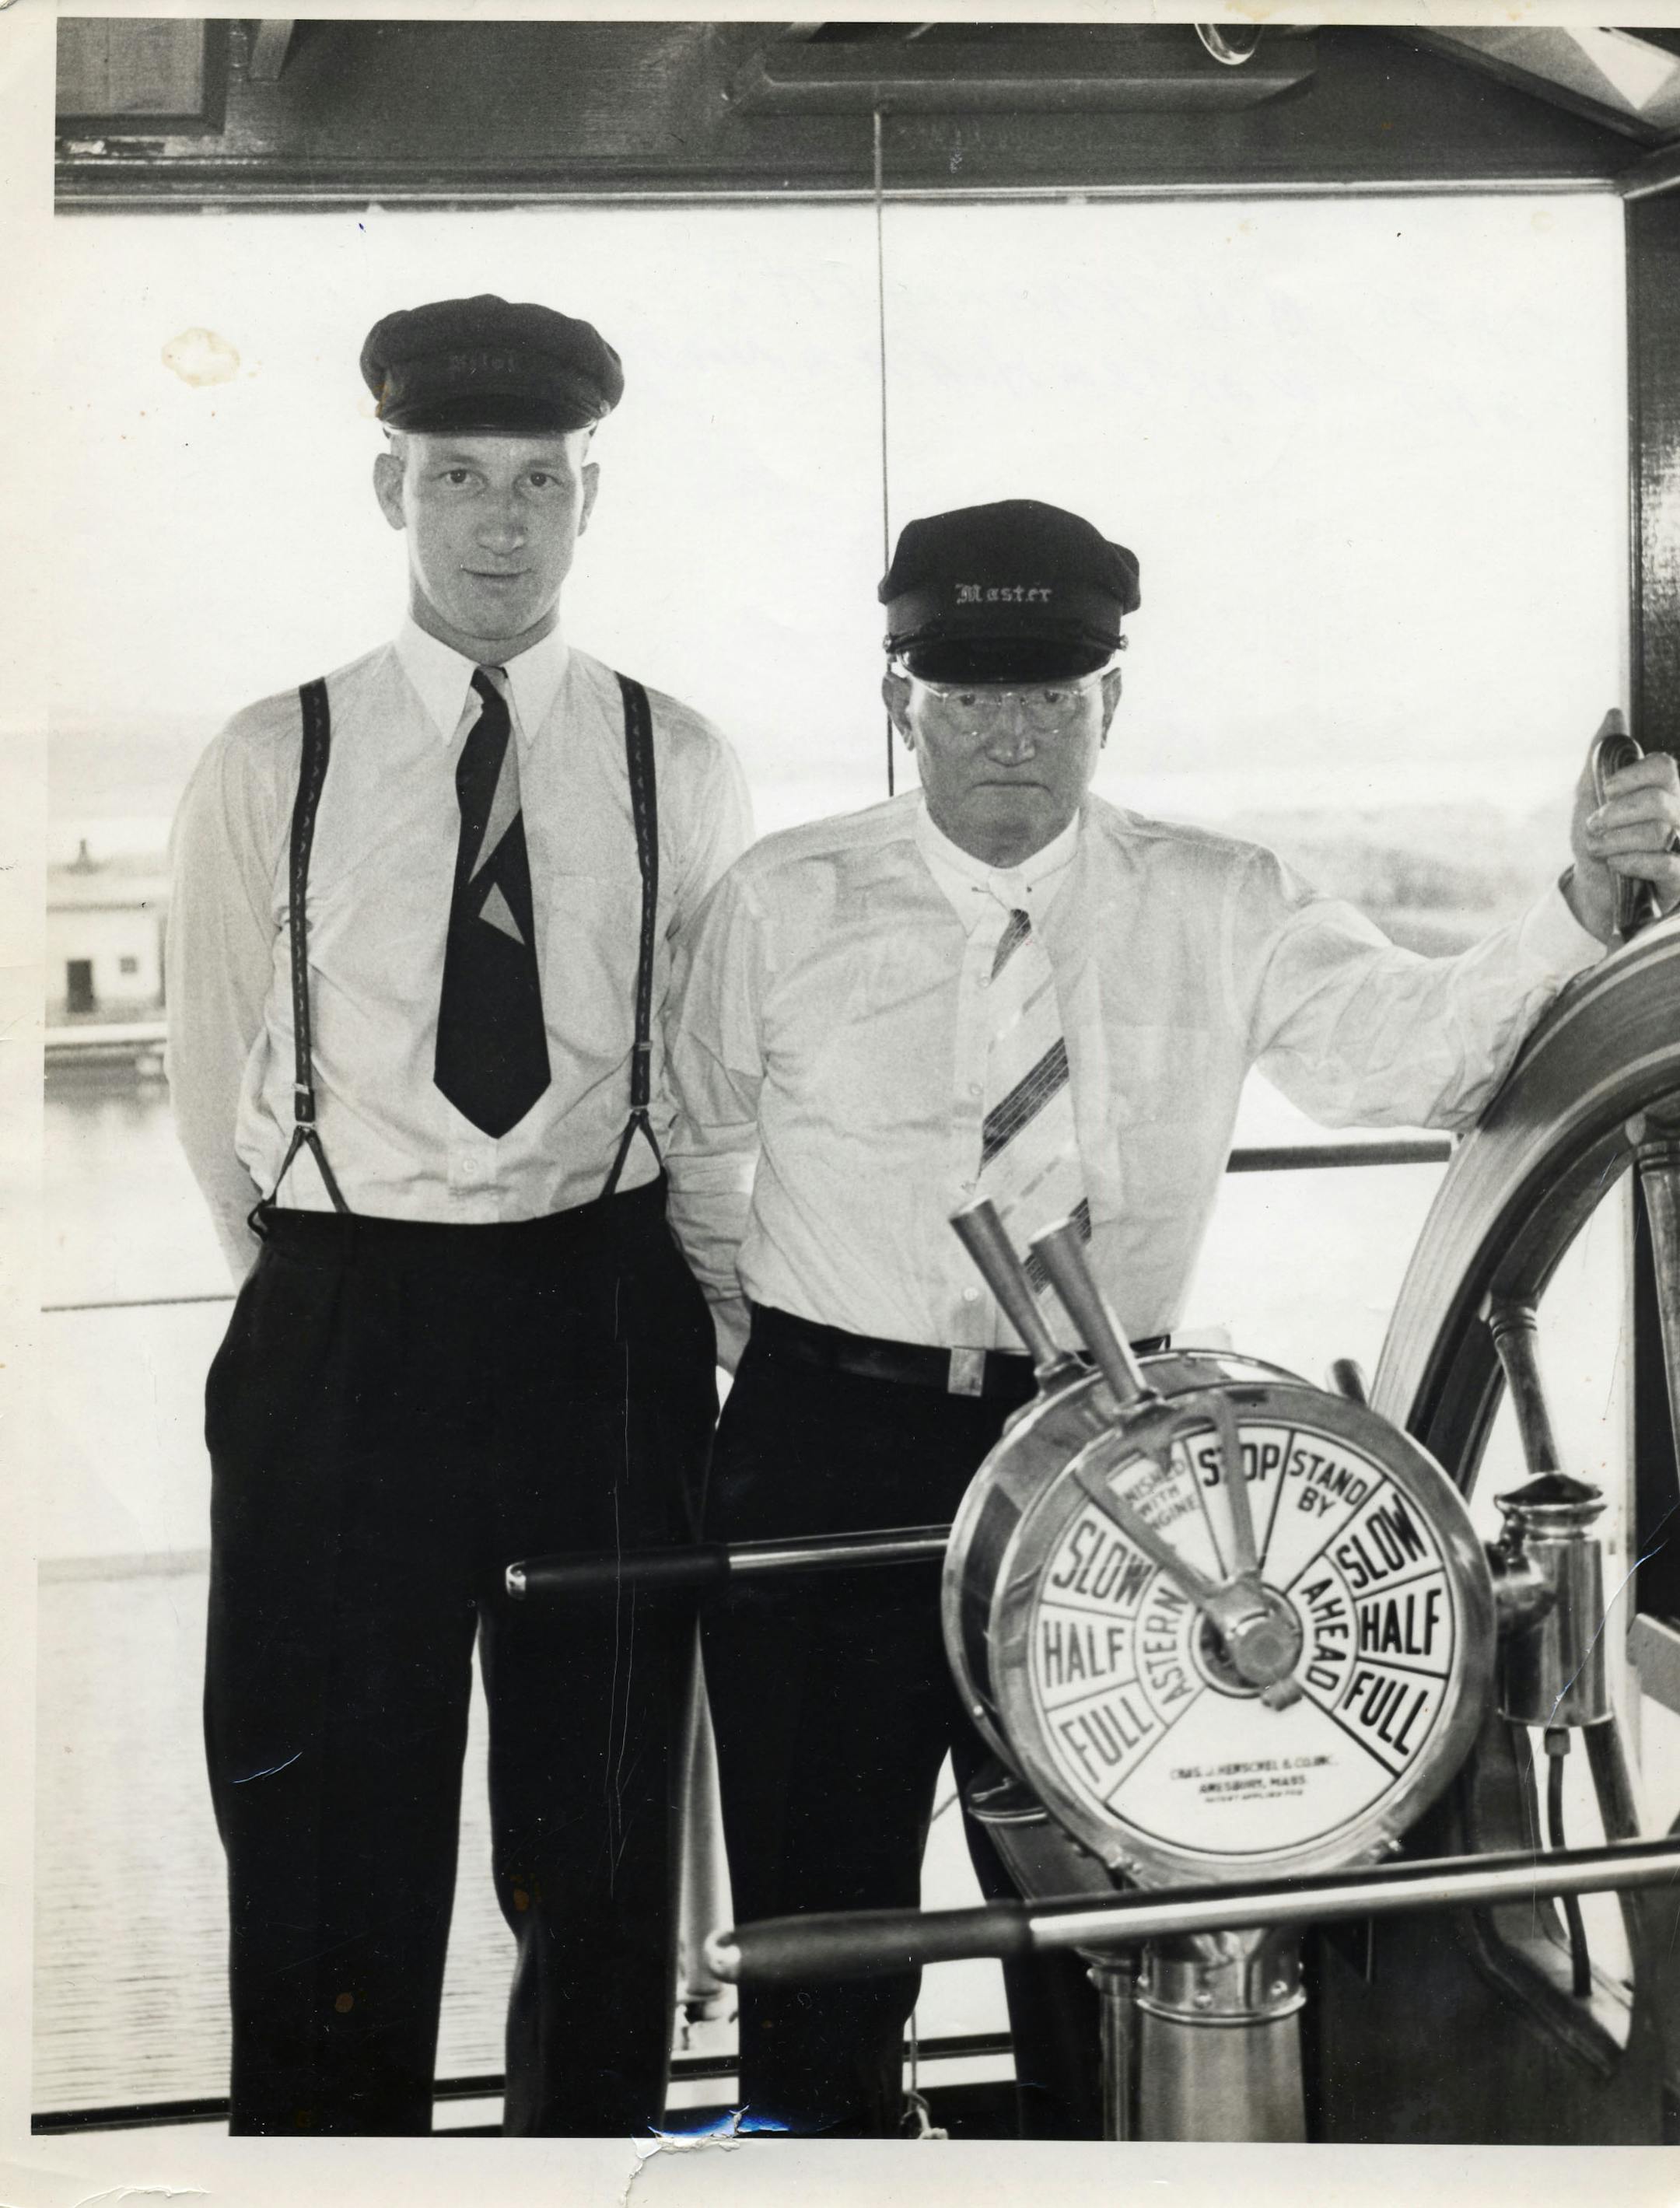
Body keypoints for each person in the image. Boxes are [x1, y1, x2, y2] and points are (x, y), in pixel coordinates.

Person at [663, 496, 1680, 2138]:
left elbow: (1408, 1056)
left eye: (1052, 696)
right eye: (972, 695)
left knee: (1108, 1912)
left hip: (1099, 1451)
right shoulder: (782, 900)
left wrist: (1577, 893)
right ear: (900, 700)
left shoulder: (1218, 894)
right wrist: (787, 1343)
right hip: (825, 1445)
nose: (1012, 734)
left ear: (1111, 704)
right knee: (820, 1926)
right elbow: (700, 1157)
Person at [166, 293, 751, 2136]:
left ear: (592, 502)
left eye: (542, 485)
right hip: (350, 1318)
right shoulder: (277, 756)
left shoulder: (681, 756)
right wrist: (339, 1290)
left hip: (603, 1313)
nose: (500, 523)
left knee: (597, 1831)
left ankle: (585, 2174)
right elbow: (211, 1084)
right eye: (457, 481)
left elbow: (715, 1070)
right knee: (333, 1831)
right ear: (389, 487)